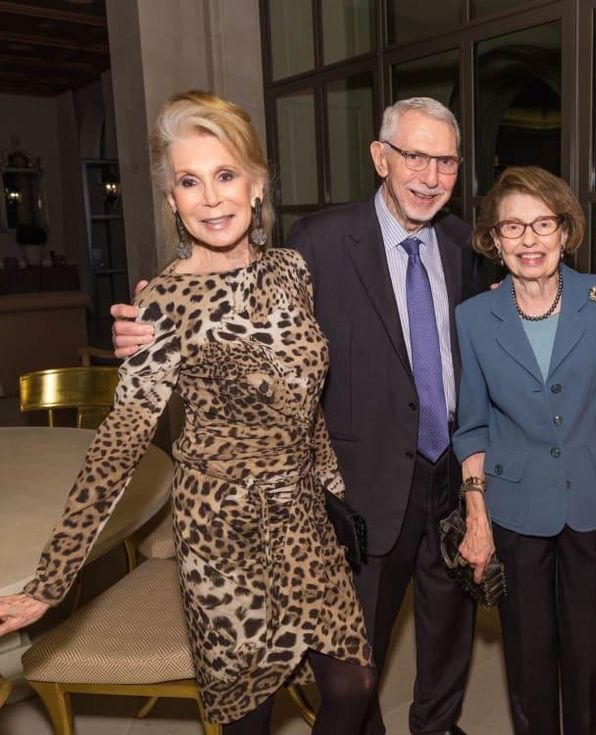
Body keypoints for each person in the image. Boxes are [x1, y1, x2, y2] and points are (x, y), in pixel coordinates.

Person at [0, 90, 376, 735]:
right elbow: (119, 443)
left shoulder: (292, 271)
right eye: (189, 182)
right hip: (220, 529)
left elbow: (305, 397)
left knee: (354, 684)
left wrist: (332, 492)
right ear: (172, 201)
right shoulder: (161, 304)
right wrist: (52, 579)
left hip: (303, 519)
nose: (211, 197)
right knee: (248, 715)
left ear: (257, 186)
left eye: (226, 175)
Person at [112, 96, 480, 735]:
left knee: (449, 625)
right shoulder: (319, 242)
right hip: (364, 484)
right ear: (380, 158)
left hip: (446, 469)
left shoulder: (457, 240)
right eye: (414, 155)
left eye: (445, 161)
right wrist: (151, 321)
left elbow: (469, 337)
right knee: (356, 661)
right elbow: (252, 316)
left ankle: (439, 726)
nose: (429, 175)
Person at [453, 166, 596, 735]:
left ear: (564, 231)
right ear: (494, 240)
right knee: (529, 653)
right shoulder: (474, 318)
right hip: (516, 506)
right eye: (513, 227)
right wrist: (476, 517)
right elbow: (473, 426)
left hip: (594, 500)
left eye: (542, 224)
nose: (529, 240)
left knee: (591, 649)